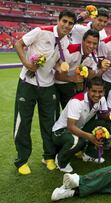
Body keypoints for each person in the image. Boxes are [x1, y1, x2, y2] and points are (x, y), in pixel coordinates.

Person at [13, 10, 76, 175]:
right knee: (23, 122)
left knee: (50, 123)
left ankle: (48, 156)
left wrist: (62, 68)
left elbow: (54, 64)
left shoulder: (65, 44)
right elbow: (18, 44)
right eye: (65, 21)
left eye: (70, 23)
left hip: (48, 86)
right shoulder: (41, 31)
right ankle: (22, 160)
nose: (67, 25)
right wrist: (27, 64)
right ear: (58, 20)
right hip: (28, 83)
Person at [52, 77, 110, 173]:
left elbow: (105, 116)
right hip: (61, 131)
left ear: (104, 91)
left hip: (78, 128)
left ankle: (89, 154)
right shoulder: (77, 101)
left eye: (100, 92)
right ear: (87, 90)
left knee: (103, 127)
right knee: (77, 141)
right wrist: (89, 137)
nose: (97, 95)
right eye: (94, 91)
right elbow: (70, 127)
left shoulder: (102, 99)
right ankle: (61, 160)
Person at [55, 29, 109, 109]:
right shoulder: (70, 51)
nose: (91, 46)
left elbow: (92, 77)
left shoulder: (93, 57)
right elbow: (57, 76)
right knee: (54, 114)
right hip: (57, 84)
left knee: (72, 111)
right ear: (83, 41)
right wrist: (73, 79)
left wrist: (102, 70)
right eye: (88, 42)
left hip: (71, 86)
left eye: (94, 43)